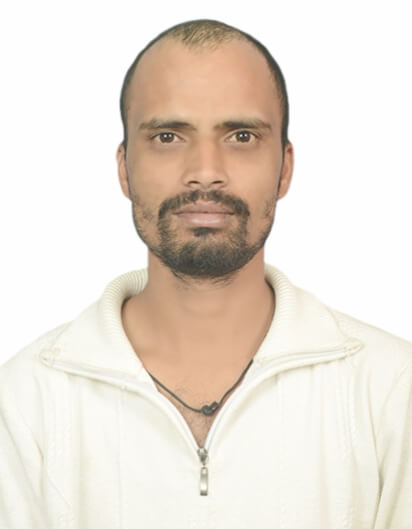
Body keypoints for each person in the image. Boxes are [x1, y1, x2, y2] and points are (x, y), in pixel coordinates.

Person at [1, 18, 411, 529]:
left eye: (241, 136)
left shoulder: (392, 391)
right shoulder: (23, 404)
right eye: (168, 136)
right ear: (124, 168)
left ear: (284, 168)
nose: (205, 171)